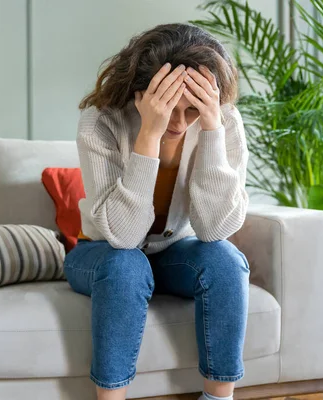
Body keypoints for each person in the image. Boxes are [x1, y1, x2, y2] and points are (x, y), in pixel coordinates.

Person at [64, 22, 250, 400]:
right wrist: (150, 134)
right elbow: (124, 237)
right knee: (125, 265)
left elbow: (216, 229)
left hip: (172, 255)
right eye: (169, 110)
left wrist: (213, 129)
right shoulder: (101, 122)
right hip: (100, 253)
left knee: (227, 260)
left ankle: (219, 397)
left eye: (192, 110)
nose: (179, 124)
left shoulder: (222, 120)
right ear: (140, 94)